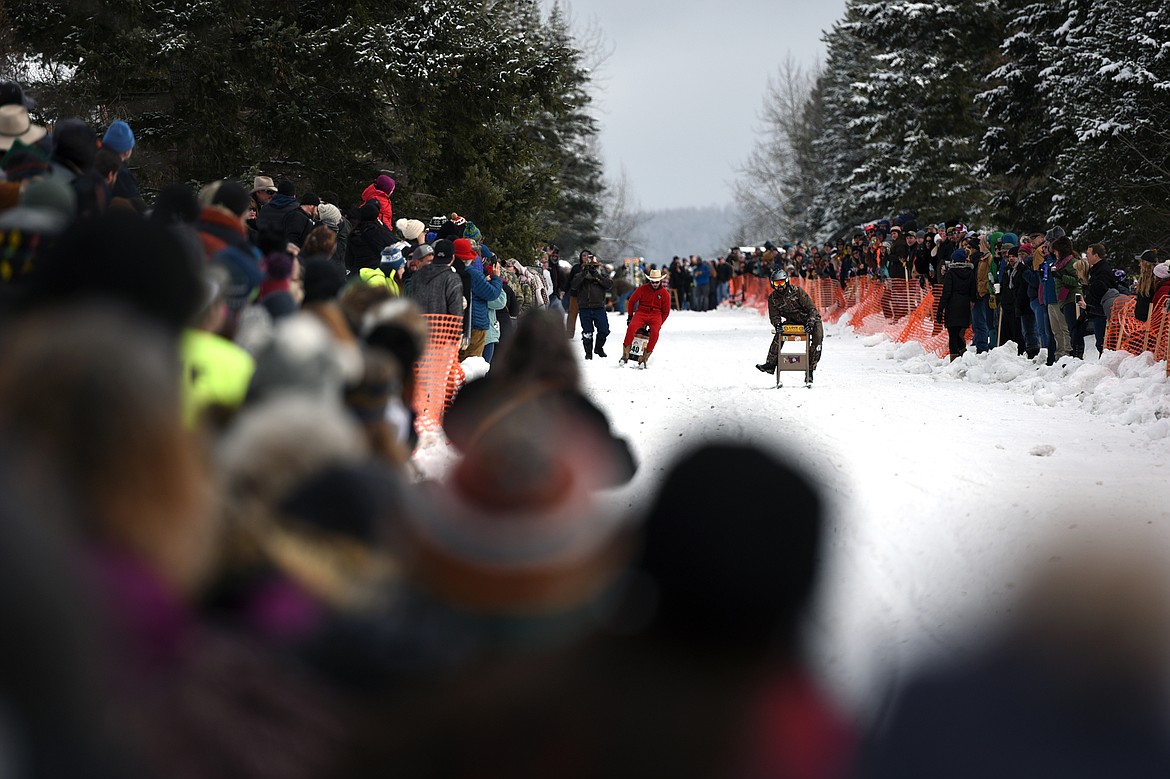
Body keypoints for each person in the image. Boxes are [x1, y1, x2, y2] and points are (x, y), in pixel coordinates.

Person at [756, 268, 823, 382]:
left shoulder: (797, 291)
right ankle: (771, 364)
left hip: (810, 319)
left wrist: (810, 323)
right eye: (777, 283)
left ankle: (810, 369)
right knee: (779, 333)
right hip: (793, 320)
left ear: (786, 282)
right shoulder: (773, 299)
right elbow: (774, 316)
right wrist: (777, 324)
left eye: (781, 282)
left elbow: (812, 309)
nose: (780, 286)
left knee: (818, 338)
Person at [620, 267, 671, 366]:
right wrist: (630, 316)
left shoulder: (665, 294)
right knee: (631, 327)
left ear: (660, 281)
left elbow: (666, 312)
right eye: (653, 282)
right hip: (641, 312)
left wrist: (660, 323)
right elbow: (631, 301)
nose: (655, 284)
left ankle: (644, 358)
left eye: (657, 282)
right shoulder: (642, 289)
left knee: (655, 333)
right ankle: (625, 355)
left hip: (656, 315)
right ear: (650, 281)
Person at [570, 252, 612, 360]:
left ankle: (598, 348)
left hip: (599, 307)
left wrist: (597, 275)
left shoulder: (602, 275)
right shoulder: (579, 276)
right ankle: (588, 353)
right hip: (585, 307)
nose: (592, 268)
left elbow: (609, 285)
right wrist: (584, 273)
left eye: (594, 266)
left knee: (604, 330)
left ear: (598, 266)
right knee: (587, 332)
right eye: (590, 266)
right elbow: (574, 285)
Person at [936, 248, 977, 361]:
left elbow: (946, 293)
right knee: (959, 333)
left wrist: (940, 309)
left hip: (952, 306)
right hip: (964, 307)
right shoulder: (970, 273)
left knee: (952, 335)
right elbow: (973, 291)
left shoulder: (951, 274)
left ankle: (954, 359)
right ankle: (964, 356)